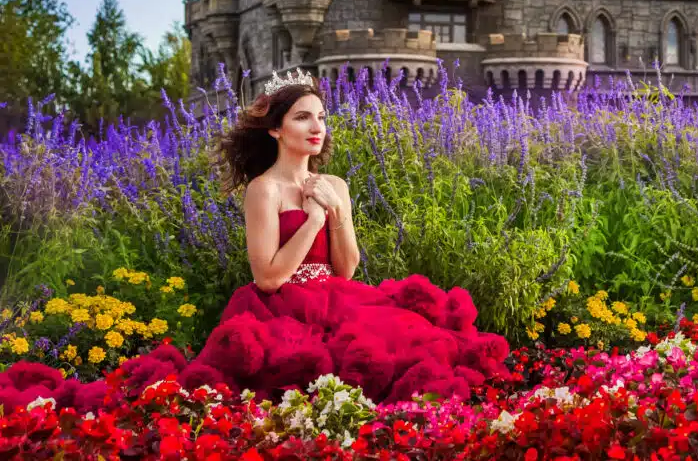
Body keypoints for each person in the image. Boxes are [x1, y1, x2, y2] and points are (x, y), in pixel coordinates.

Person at [163, 70, 510, 404]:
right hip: (280, 309)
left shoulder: (336, 186)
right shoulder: (263, 190)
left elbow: (346, 271)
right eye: (302, 118)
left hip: (336, 297)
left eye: (321, 117)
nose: (317, 128)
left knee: (410, 345)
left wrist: (338, 211)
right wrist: (314, 219)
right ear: (275, 130)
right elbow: (267, 279)